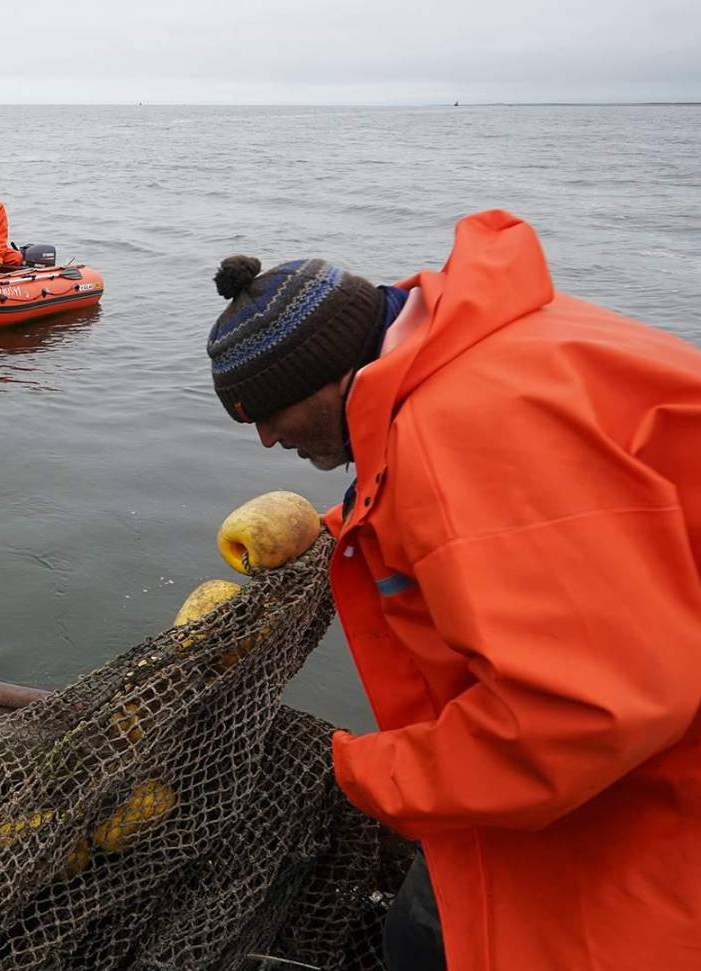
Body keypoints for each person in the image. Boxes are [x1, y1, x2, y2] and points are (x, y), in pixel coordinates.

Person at [204, 210, 701, 970]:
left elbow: (578, 715)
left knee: (432, 942)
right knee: (421, 927)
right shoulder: (482, 348)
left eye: (267, 412)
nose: (268, 439)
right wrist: (350, 525)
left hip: (654, 806)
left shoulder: (466, 434)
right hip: (629, 750)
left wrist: (364, 771)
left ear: (329, 371)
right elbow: (540, 527)